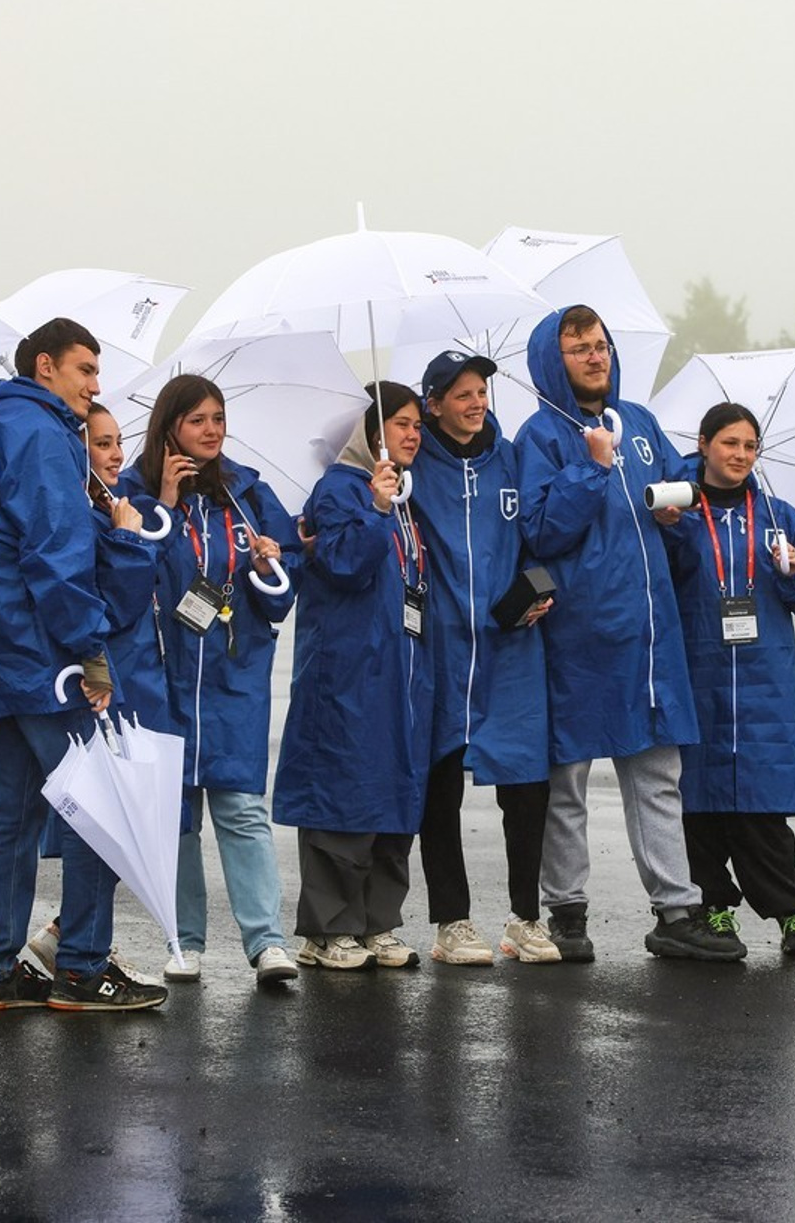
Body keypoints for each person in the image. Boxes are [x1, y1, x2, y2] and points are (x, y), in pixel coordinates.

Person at [516, 304, 744, 962]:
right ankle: (566, 914)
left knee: (658, 775)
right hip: (578, 639)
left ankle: (675, 912)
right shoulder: (540, 437)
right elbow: (541, 531)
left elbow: (684, 506)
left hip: (650, 638)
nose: (595, 356)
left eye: (600, 345)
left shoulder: (639, 425)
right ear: (552, 363)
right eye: (578, 348)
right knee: (567, 781)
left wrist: (682, 516)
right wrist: (591, 467)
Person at [0, 317, 166, 1011]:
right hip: (43, 655)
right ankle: (81, 966)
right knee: (99, 811)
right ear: (44, 365)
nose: (96, 384)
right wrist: (89, 650)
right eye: (85, 368)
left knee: (11, 821)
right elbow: (53, 554)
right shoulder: (43, 436)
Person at [116, 374, 300, 986]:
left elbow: (283, 591)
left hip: (234, 676)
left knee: (242, 808)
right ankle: (183, 941)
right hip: (161, 677)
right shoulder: (133, 492)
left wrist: (269, 567)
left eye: (218, 418)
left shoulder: (248, 494)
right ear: (170, 426)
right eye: (197, 420)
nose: (212, 430)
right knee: (176, 815)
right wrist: (165, 504)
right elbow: (124, 571)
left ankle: (267, 942)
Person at [660, 403, 795, 956]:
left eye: (749, 446)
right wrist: (669, 534)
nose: (740, 455)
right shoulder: (677, 511)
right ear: (704, 444)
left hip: (765, 680)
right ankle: (713, 907)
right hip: (698, 673)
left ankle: (791, 913)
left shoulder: (777, 515)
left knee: (763, 808)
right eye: (729, 444)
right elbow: (650, 580)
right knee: (699, 801)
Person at [272, 383, 432, 971]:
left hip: (400, 669)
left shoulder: (404, 495)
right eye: (401, 424)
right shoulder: (342, 490)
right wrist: (378, 511)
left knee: (392, 793)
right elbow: (342, 563)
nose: (412, 434)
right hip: (345, 668)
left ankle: (376, 922)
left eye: (418, 424)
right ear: (369, 434)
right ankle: (327, 929)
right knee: (341, 792)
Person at [410, 351, 559, 965]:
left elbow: (541, 538)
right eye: (463, 394)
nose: (476, 404)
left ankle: (526, 917)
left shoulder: (512, 458)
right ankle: (452, 922)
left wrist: (538, 589)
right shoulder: (412, 464)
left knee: (527, 787)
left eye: (482, 393)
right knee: (438, 788)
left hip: (511, 647)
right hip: (441, 648)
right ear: (434, 403)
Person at [29, 403, 173, 980]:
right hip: (102, 681)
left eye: (119, 443)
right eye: (104, 443)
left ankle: (66, 936)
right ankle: (78, 950)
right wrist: (128, 540)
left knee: (117, 816)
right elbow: (115, 607)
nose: (116, 454)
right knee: (104, 816)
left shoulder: (104, 506)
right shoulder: (88, 516)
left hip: (128, 677)